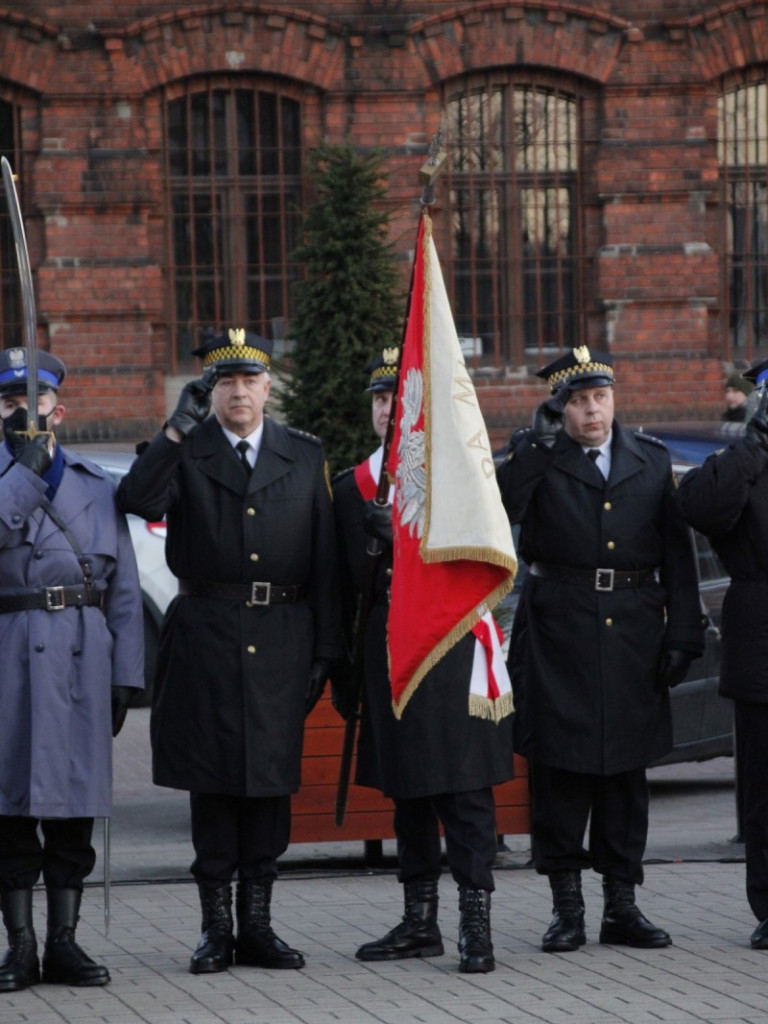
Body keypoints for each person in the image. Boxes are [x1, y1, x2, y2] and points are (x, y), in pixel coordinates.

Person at [115, 328, 342, 976]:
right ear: (209, 391)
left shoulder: (304, 454)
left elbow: (325, 561)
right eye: (226, 382)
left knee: (269, 790)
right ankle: (216, 930)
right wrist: (176, 431)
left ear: (269, 388)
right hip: (207, 636)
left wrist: (325, 651)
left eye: (250, 380)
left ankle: (259, 927)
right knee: (212, 789)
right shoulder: (187, 449)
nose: (239, 392)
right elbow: (136, 499)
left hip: (281, 639)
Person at [496, 346, 705, 953]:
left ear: (615, 398)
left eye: (601, 398)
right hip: (559, 631)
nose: (593, 410)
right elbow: (501, 508)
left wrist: (683, 633)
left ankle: (622, 905)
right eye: (580, 401)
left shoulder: (649, 459)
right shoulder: (539, 458)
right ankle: (567, 909)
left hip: (634, 635)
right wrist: (533, 449)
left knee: (624, 778)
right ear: (561, 407)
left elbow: (679, 557)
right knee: (561, 774)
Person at [332, 349, 515, 974]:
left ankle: (475, 921)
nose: (389, 409)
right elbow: (337, 586)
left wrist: (408, 548)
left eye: (399, 398)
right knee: (406, 788)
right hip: (385, 649)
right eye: (380, 399)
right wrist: (338, 665)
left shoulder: (463, 478)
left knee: (464, 790)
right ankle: (419, 921)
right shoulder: (351, 488)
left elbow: (487, 560)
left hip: (450, 644)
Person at [0, 348, 144, 992]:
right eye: (8, 403)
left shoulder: (94, 484)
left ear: (60, 408)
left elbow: (125, 590)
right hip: (9, 652)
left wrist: (126, 675)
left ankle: (64, 943)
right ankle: (20, 947)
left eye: (33, 400)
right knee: (8, 809)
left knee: (73, 806)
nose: (22, 412)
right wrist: (22, 474)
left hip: (81, 659)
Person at [677, 357, 768, 950]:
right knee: (764, 791)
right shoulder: (742, 464)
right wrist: (752, 449)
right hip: (761, 639)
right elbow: (699, 508)